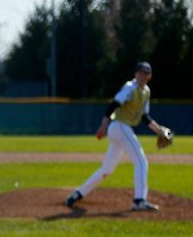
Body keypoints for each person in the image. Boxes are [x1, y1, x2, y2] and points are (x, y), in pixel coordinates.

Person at [65, 62, 170, 211]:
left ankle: (77, 194)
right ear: (135, 74)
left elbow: (144, 117)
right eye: (140, 72)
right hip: (120, 126)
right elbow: (113, 104)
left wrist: (158, 130)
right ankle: (139, 201)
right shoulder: (130, 87)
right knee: (141, 162)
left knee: (106, 169)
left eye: (146, 73)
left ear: (150, 76)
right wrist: (103, 125)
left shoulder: (146, 91)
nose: (142, 75)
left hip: (120, 130)